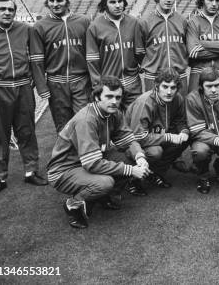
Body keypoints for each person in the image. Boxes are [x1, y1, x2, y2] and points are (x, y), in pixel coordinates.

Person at [47, 76, 150, 228]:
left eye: (117, 97)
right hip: (65, 170)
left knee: (131, 157)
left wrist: (140, 157)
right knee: (105, 182)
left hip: (89, 161)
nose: (114, 101)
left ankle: (103, 197)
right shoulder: (87, 119)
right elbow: (92, 164)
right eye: (108, 96)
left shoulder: (114, 112)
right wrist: (131, 170)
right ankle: (73, 204)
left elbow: (128, 140)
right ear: (96, 97)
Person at [0, 0, 47, 197]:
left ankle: (31, 171)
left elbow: (36, 56)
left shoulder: (25, 29)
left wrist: (34, 79)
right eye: (2, 9)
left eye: (10, 9)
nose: (7, 12)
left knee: (27, 131)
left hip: (23, 87)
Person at [30, 0, 91, 132]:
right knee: (63, 124)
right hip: (56, 83)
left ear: (67, 1)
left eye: (59, 0)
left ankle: (88, 153)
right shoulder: (40, 26)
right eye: (51, 1)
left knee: (85, 120)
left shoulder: (83, 21)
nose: (55, 4)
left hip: (81, 80)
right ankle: (66, 154)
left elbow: (92, 53)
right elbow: (37, 60)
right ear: (47, 2)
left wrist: (95, 79)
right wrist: (41, 86)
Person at [125, 68, 189, 194]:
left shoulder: (178, 99)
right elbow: (138, 137)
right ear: (156, 86)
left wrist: (184, 132)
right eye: (165, 87)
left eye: (173, 87)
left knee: (186, 138)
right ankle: (133, 179)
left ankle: (155, 173)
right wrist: (168, 137)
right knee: (155, 152)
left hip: (156, 136)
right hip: (132, 144)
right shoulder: (145, 102)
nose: (169, 92)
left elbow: (180, 122)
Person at [86, 0, 145, 108]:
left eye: (120, 1)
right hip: (110, 86)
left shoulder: (133, 22)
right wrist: (98, 86)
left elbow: (140, 52)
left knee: (134, 120)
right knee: (112, 123)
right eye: (112, 2)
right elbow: (92, 61)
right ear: (105, 4)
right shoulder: (95, 27)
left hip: (133, 83)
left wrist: (142, 65)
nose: (117, 5)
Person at [140, 0, 191, 97]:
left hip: (179, 75)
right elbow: (139, 51)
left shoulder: (182, 20)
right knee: (153, 110)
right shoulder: (145, 21)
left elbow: (186, 48)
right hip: (154, 76)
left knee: (180, 110)